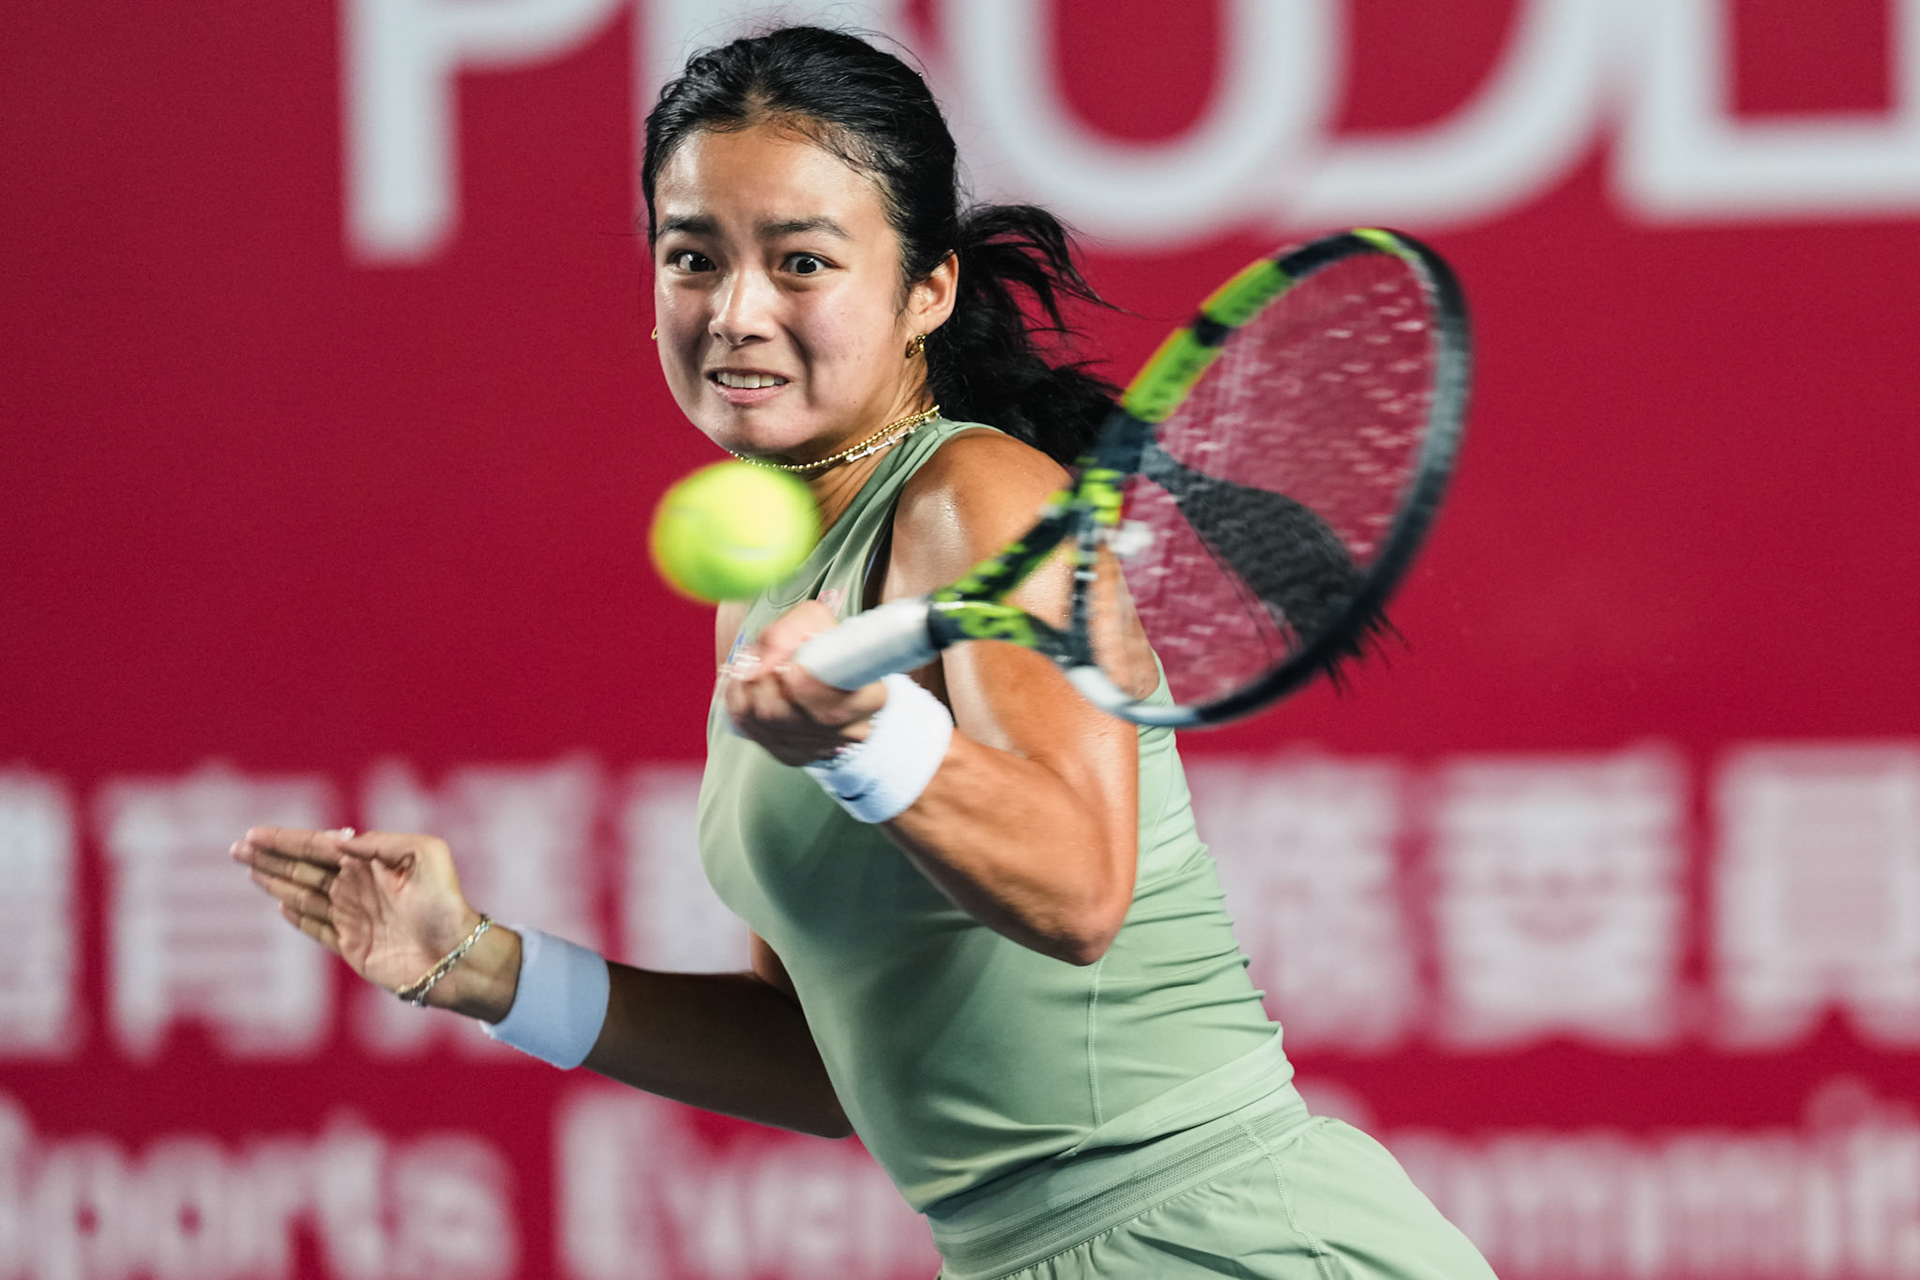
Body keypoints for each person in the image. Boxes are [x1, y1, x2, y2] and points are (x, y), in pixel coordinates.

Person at [232, 25, 1496, 1280]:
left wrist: (864, 737)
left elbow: (1077, 892)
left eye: (800, 262)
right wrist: (485, 964)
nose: (735, 313)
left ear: (926, 291)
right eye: (693, 257)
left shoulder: (977, 499)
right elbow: (816, 1058)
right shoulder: (771, 584)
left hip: (1223, 1238)